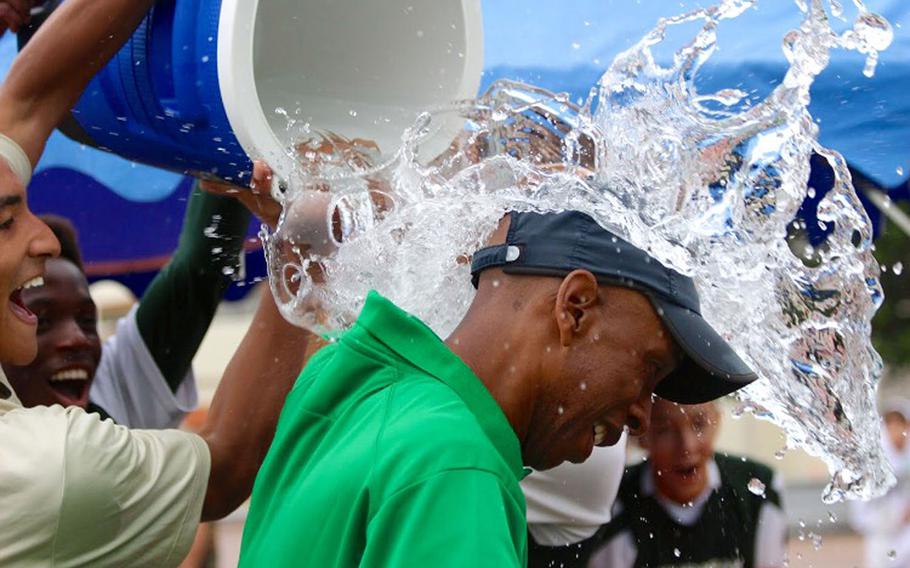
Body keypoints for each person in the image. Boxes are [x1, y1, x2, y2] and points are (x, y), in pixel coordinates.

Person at [238, 209, 759, 567]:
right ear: (574, 307)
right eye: (648, 371)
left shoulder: (340, 379)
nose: (643, 416)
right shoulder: (456, 469)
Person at [0, 0, 310, 564]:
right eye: (5, 222)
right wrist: (306, 252)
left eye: (88, 318)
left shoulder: (97, 406)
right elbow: (227, 465)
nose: (41, 240)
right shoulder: (52, 465)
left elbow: (28, 98)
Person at [2, 187, 251, 428]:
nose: (76, 339)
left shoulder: (116, 386)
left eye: (88, 320)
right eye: (41, 321)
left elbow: (202, 265)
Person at [575, 398, 787, 568]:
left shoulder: (757, 489)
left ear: (717, 420)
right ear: (641, 436)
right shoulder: (614, 500)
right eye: (665, 429)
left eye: (699, 423)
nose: (687, 445)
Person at [849, 397, 910, 568]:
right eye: (894, 426)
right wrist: (899, 513)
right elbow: (862, 511)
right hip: (881, 537)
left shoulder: (905, 454)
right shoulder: (873, 460)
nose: (900, 432)